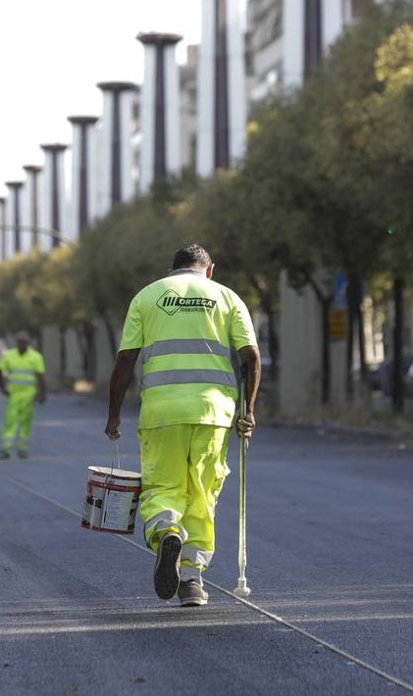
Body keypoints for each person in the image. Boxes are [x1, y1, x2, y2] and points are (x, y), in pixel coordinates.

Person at [105, 244, 260, 607]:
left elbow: (126, 359)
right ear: (209, 270)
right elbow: (251, 356)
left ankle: (166, 531)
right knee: (203, 494)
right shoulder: (226, 297)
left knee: (163, 486)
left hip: (161, 411)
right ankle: (191, 580)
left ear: (172, 270)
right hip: (213, 413)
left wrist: (113, 413)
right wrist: (249, 410)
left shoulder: (148, 295)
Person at [0, 332, 47, 459]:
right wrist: (2, 387)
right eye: (19, 342)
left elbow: (40, 376)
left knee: (25, 422)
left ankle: (22, 449)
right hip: (13, 394)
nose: (22, 344)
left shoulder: (35, 357)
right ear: (16, 342)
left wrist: (43, 393)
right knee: (10, 421)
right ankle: (5, 449)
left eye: (24, 342)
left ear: (28, 343)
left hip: (28, 396)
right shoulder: (10, 355)